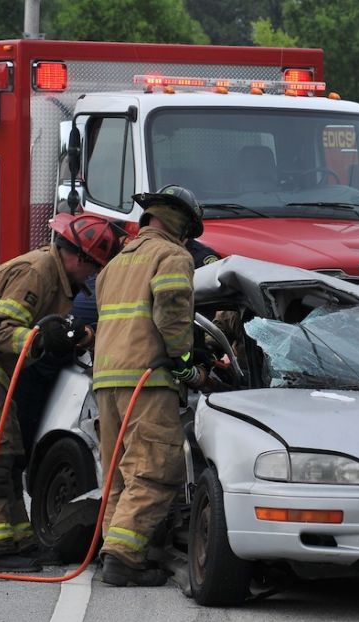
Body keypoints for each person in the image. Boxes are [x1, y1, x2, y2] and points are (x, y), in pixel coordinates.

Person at [0, 212, 119, 572]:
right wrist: (39, 339)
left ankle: (15, 538)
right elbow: (1, 332)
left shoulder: (58, 276)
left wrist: (67, 337)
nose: (92, 275)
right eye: (92, 266)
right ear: (75, 257)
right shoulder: (38, 271)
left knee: (8, 452)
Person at [93, 185, 209, 587]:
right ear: (181, 224)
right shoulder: (172, 256)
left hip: (106, 379)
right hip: (148, 378)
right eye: (188, 233)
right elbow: (173, 312)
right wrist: (185, 365)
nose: (187, 242)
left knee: (119, 474)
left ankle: (113, 550)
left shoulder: (114, 264)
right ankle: (124, 558)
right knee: (158, 469)